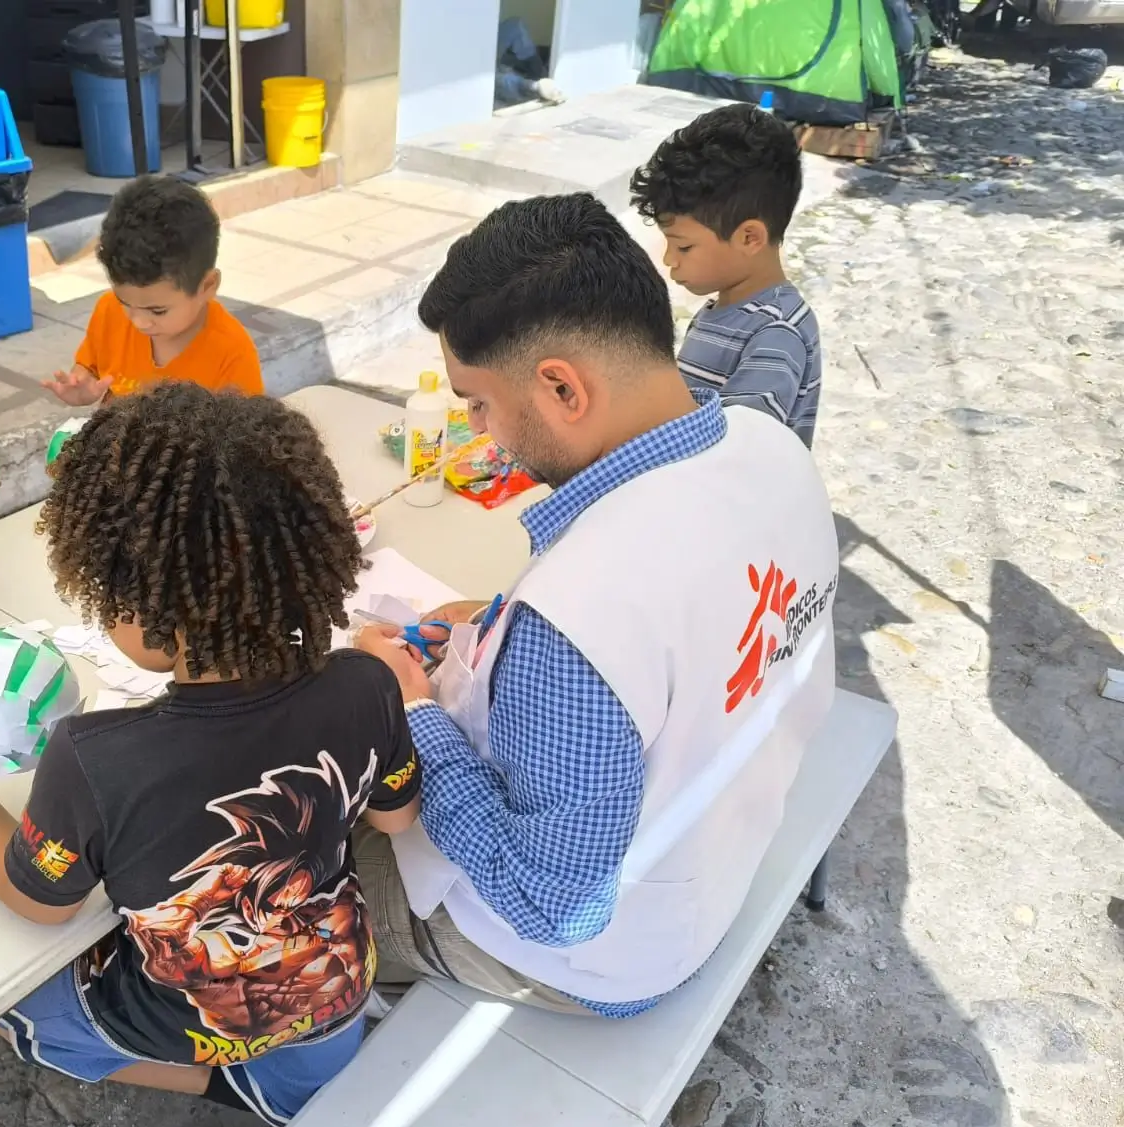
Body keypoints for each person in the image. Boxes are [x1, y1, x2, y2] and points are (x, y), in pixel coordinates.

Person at [354, 192, 839, 1017]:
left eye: (478, 403)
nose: (479, 432)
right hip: (723, 848)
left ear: (561, 388)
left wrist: (416, 710)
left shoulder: (581, 624)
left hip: (602, 959)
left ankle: (313, 1036)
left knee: (295, 858)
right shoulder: (769, 447)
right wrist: (500, 623)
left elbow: (552, 909)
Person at [0, 385, 420, 1127]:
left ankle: (223, 1081)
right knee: (299, 1050)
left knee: (11, 1012)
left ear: (140, 601)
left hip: (185, 1018)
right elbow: (394, 818)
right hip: (336, 993)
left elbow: (45, 905)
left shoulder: (93, 757)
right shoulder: (368, 683)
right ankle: (271, 1087)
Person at [630, 102, 823, 447]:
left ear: (749, 238)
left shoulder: (776, 331)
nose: (669, 259)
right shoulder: (722, 311)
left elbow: (734, 452)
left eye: (684, 247)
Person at [43, 177, 263, 408]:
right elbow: (89, 367)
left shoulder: (232, 354)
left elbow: (245, 437)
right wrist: (83, 387)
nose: (138, 321)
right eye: (125, 302)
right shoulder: (109, 310)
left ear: (207, 286)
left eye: (157, 311)